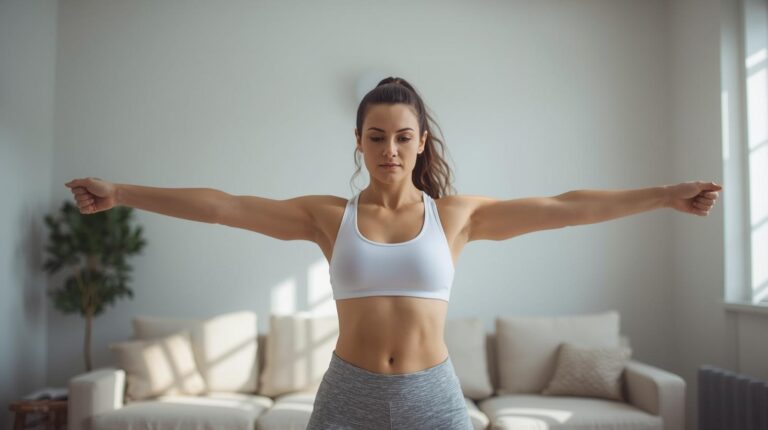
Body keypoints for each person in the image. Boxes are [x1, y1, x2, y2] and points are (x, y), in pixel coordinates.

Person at [64, 77, 722, 430]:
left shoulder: (456, 217)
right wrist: (122, 192)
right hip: (347, 396)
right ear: (359, 141)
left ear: (422, 142)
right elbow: (223, 204)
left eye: (403, 137)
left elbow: (565, 205)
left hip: (433, 397)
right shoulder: (329, 217)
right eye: (376, 137)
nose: (390, 151)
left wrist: (664, 195)